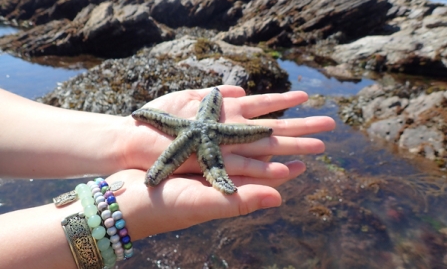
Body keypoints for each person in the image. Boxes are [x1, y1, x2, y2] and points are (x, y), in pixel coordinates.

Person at [0, 85, 335, 269]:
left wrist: (122, 136)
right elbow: (202, 123)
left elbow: (211, 112)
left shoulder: (202, 125)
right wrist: (124, 208)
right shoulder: (198, 128)